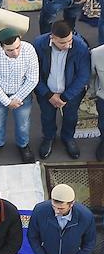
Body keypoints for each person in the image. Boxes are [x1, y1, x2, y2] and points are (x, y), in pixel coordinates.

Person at [0, 27, 39, 164]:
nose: (16, 52)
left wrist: (16, 98)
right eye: (10, 50)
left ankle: (23, 145)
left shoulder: (29, 50)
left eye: (18, 47)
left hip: (22, 95)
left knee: (23, 124)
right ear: (2, 47)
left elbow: (32, 78)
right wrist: (6, 101)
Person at [34, 21, 89, 160]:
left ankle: (68, 138)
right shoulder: (39, 44)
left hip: (71, 93)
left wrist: (65, 97)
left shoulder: (80, 46)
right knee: (47, 117)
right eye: (63, 42)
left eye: (70, 40)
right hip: (47, 92)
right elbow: (33, 72)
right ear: (52, 38)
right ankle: (48, 138)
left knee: (71, 117)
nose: (68, 45)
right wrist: (48, 94)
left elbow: (83, 75)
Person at [28, 184, 97, 254]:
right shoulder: (39, 211)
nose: (56, 211)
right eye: (54, 206)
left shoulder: (86, 216)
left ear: (71, 204)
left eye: (61, 208)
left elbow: (89, 243)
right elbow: (32, 237)